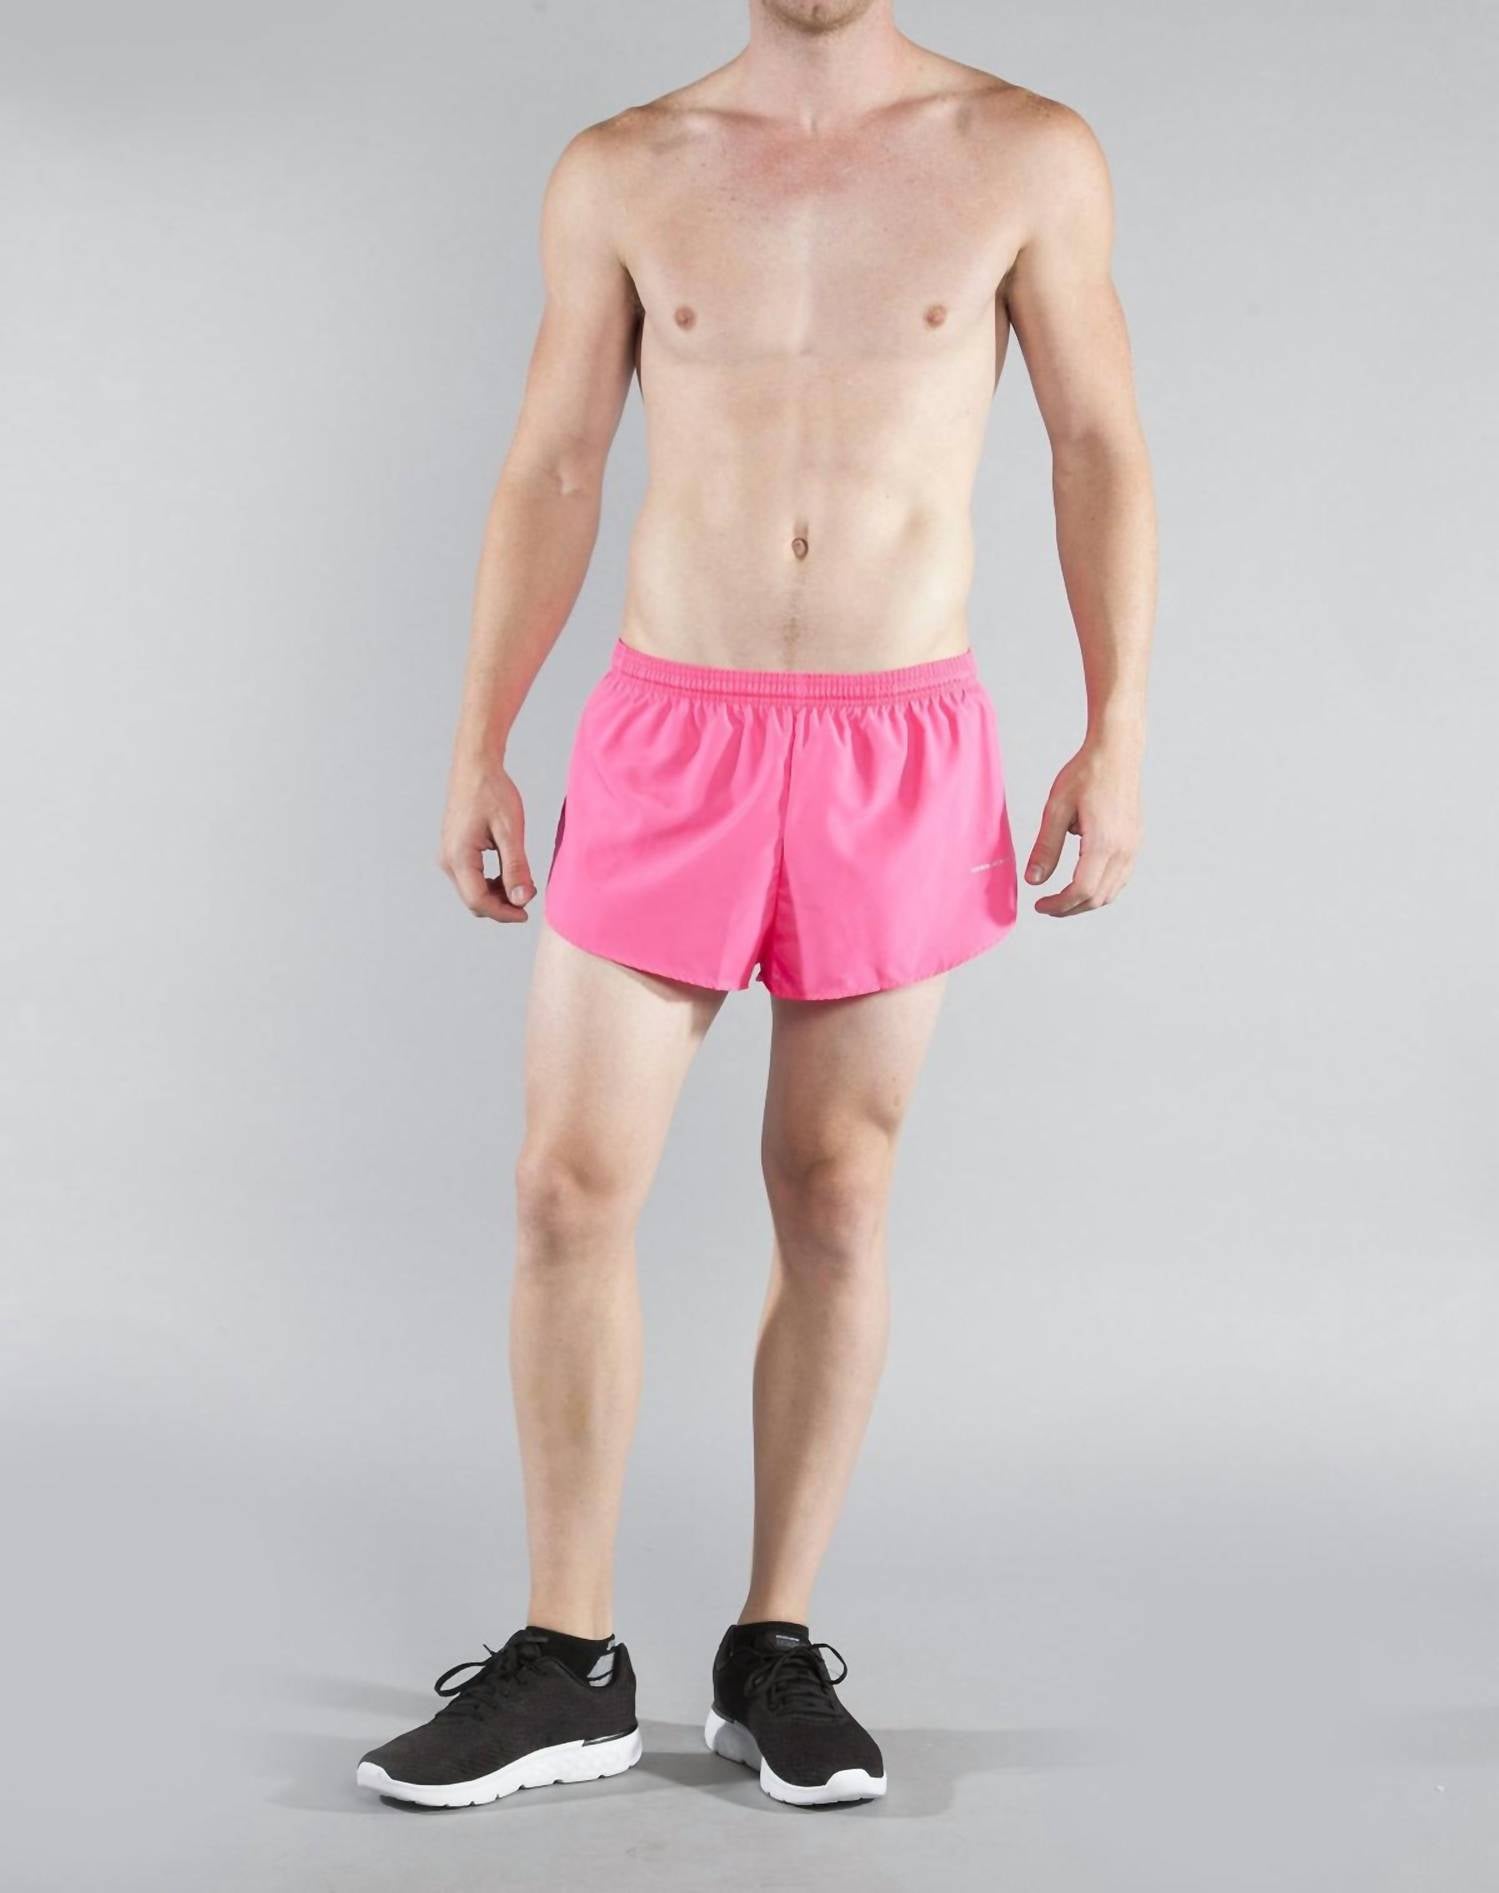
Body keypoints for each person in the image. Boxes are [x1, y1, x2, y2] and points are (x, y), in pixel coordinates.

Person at [358, 0, 1155, 1811]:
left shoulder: (1027, 154)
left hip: (895, 732)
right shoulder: (627, 168)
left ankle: (771, 1645)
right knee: (566, 1185)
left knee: (838, 1191)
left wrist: (1117, 731)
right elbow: (556, 459)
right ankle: (567, 1660)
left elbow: (1097, 443)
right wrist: (479, 741)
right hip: (672, 726)